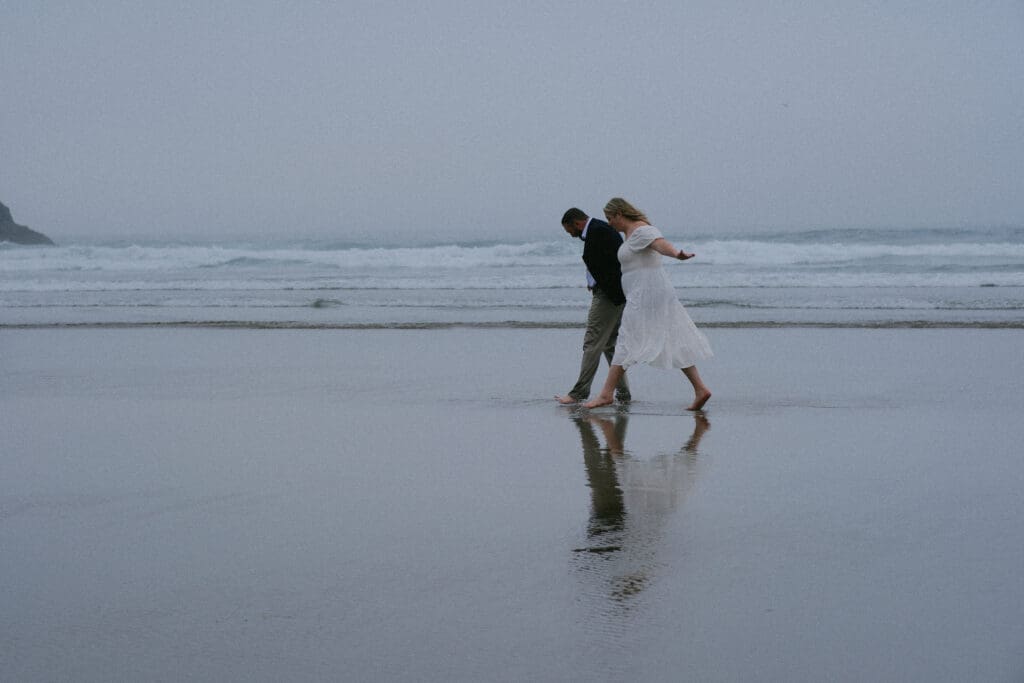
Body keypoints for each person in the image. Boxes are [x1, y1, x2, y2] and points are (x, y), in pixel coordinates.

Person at [584, 198, 712, 411]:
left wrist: (677, 254)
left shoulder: (641, 230)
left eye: (609, 218)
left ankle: (606, 394)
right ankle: (700, 389)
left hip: (647, 294)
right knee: (672, 337)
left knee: (626, 339)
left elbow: (660, 244)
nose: (609, 223)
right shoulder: (629, 235)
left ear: (619, 214)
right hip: (645, 293)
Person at [555, 208, 632, 405]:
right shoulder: (599, 230)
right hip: (616, 294)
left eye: (570, 230)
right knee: (609, 344)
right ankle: (623, 393)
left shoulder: (599, 231)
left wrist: (599, 285)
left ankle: (578, 393)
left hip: (608, 295)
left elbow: (614, 264)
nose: (571, 235)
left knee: (592, 342)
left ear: (577, 223)